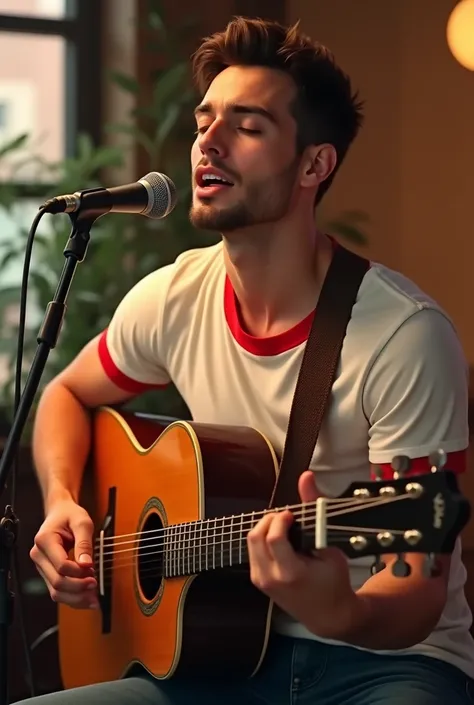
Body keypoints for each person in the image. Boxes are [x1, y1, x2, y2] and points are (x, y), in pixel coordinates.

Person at [17, 16, 474, 705]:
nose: (208, 141)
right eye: (206, 120)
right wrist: (60, 506)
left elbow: (416, 595)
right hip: (214, 657)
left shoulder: (403, 335)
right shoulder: (174, 296)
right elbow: (66, 395)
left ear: (314, 166)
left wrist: (339, 611)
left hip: (385, 666)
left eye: (249, 126)